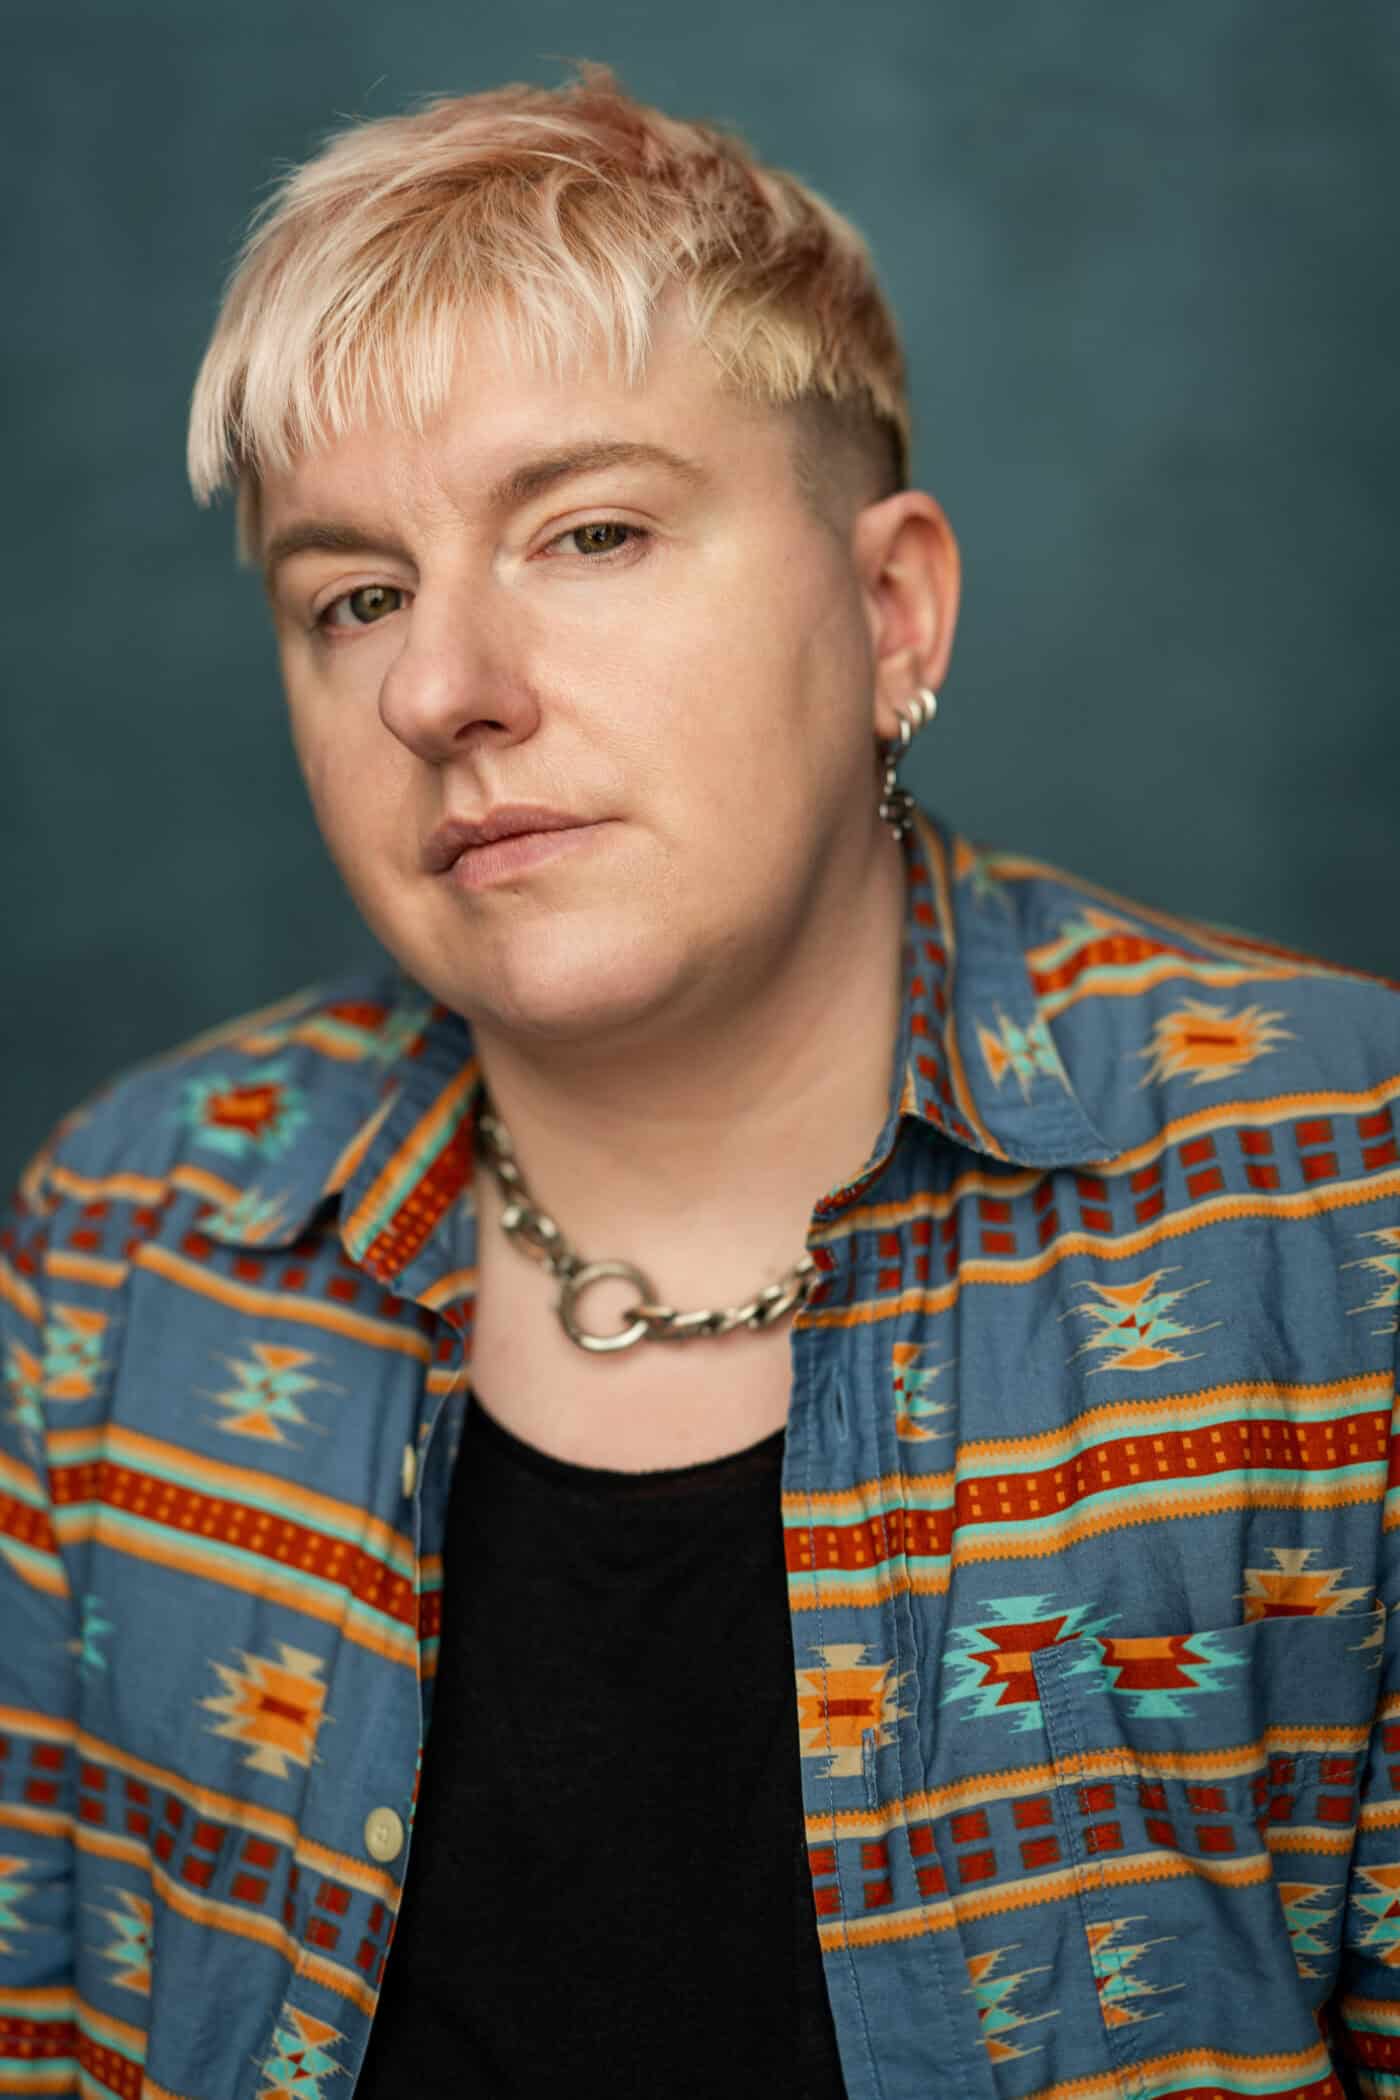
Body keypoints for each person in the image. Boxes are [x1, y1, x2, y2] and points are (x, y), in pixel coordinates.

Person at [2, 61, 1398, 2100]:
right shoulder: (131, 1238)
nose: (437, 685)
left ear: (888, 606)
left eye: (587, 531)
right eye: (355, 596)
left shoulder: (1337, 1197)